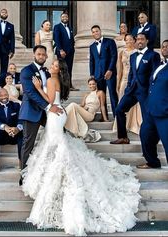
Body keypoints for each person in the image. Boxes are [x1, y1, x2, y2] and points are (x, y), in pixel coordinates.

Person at [21, 58, 140, 236]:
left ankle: (61, 174)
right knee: (57, 146)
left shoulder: (52, 80)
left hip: (54, 114)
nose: (51, 65)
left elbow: (50, 100)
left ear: (58, 70)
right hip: (58, 113)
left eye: (54, 65)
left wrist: (38, 88)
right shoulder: (56, 79)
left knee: (56, 146)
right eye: (52, 63)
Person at [18, 45, 62, 182]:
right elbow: (30, 93)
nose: (41, 56)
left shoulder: (47, 73)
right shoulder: (26, 71)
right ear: (34, 55)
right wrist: (49, 107)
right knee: (28, 143)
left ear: (46, 56)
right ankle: (24, 175)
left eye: (43, 54)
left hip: (46, 112)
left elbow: (50, 93)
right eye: (39, 54)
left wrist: (54, 105)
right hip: (31, 112)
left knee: (61, 134)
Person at [110, 33, 160, 145]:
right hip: (132, 90)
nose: (140, 41)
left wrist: (152, 92)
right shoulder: (133, 56)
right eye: (138, 39)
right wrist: (128, 87)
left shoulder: (153, 55)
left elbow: (155, 75)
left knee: (147, 119)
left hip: (145, 92)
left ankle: (149, 145)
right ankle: (123, 137)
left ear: (147, 40)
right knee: (119, 110)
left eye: (142, 39)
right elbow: (131, 74)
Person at [137, 40, 168, 169]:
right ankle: (152, 162)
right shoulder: (159, 65)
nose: (165, 48)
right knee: (145, 134)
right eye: (163, 46)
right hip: (151, 110)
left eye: (167, 46)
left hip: (164, 112)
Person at [113, 33, 142, 135]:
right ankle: (122, 126)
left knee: (134, 104)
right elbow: (119, 70)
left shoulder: (138, 52)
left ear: (134, 40)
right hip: (124, 80)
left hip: (135, 81)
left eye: (130, 39)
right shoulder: (121, 52)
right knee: (121, 103)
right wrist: (118, 82)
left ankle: (133, 125)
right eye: (126, 40)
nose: (128, 41)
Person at [0, 88, 23, 172]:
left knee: (22, 133)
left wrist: (17, 128)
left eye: (5, 95)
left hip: (14, 135)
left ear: (8, 95)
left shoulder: (16, 105)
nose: (4, 97)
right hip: (2, 136)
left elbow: (21, 119)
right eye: (1, 95)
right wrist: (5, 127)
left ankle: (21, 160)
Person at [89, 25, 118, 118]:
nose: (95, 33)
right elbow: (92, 61)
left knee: (113, 95)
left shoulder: (110, 42)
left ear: (100, 31)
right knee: (102, 96)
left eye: (96, 31)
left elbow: (114, 56)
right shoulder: (92, 46)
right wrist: (92, 74)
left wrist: (110, 70)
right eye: (93, 32)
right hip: (98, 75)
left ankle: (117, 117)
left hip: (110, 74)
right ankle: (104, 117)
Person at [53, 11, 78, 91]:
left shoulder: (70, 28)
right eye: (63, 17)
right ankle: (62, 86)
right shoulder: (57, 27)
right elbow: (56, 39)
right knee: (62, 69)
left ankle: (69, 85)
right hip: (62, 52)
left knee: (69, 68)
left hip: (70, 52)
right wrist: (60, 50)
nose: (65, 18)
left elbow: (71, 40)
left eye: (66, 17)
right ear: (61, 18)